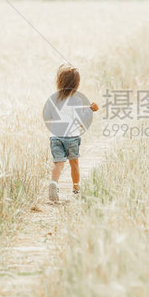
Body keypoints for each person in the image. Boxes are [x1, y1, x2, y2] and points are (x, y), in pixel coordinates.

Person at [46, 64, 98, 202]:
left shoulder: (53, 99)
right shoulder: (76, 100)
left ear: (59, 82)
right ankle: (76, 188)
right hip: (72, 137)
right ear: (76, 85)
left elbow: (49, 116)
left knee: (59, 163)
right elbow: (81, 119)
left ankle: (54, 183)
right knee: (74, 163)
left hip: (55, 137)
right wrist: (90, 109)